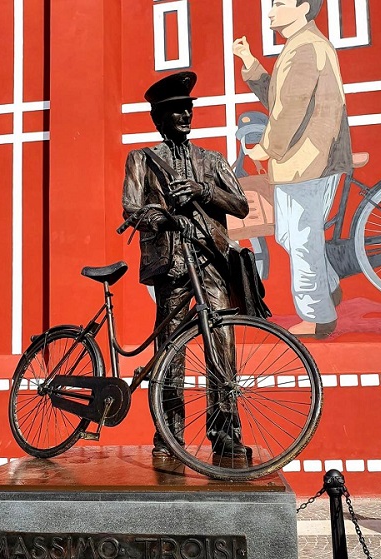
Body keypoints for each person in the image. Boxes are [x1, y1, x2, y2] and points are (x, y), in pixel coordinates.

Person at [122, 71, 250, 457]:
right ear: (160, 119)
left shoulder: (211, 161)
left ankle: (225, 432)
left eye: (188, 108)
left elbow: (241, 205)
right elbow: (130, 209)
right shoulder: (141, 159)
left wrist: (203, 191)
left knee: (221, 344)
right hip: (171, 264)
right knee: (169, 353)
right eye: (177, 111)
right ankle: (168, 435)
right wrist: (159, 217)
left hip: (211, 261)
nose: (186, 115)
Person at [233, 0, 352, 338]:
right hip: (308, 161)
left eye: (279, 4)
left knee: (300, 238)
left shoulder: (304, 49)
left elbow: (288, 112)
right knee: (293, 234)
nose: (270, 12)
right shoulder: (303, 45)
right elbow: (280, 98)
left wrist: (266, 148)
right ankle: (328, 287)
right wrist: (251, 63)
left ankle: (317, 317)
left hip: (308, 161)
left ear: (303, 8)